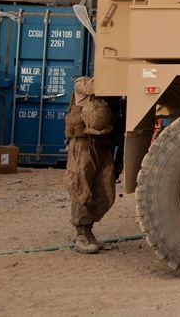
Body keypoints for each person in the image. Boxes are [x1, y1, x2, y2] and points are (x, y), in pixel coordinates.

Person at [64, 76, 118, 254]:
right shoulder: (82, 84)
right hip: (82, 145)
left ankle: (88, 231)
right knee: (81, 189)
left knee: (106, 193)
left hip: (102, 144)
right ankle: (81, 235)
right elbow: (95, 85)